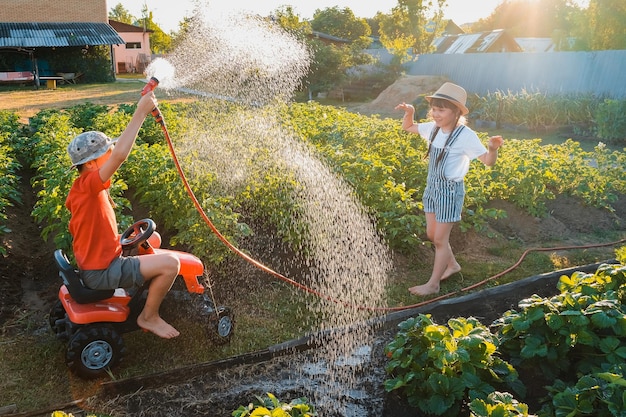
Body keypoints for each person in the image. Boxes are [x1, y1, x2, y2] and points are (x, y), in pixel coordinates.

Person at [65, 92, 181, 339]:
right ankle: (148, 316)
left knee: (155, 239)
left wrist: (120, 241)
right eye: (106, 152)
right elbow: (120, 156)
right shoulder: (89, 187)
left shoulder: (81, 188)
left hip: (97, 260)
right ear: (92, 164)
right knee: (172, 264)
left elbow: (91, 231)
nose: (112, 153)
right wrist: (140, 112)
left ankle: (138, 295)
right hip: (103, 271)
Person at [395, 82, 503, 296]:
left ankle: (433, 284)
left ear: (456, 112)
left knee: (440, 240)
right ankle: (452, 265)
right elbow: (408, 127)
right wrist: (410, 112)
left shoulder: (465, 135)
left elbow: (487, 161)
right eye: (434, 108)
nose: (435, 114)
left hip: (450, 192)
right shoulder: (433, 128)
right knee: (431, 234)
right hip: (432, 187)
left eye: (441, 109)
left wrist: (492, 149)